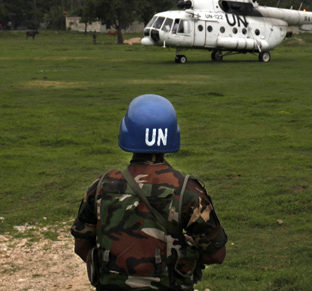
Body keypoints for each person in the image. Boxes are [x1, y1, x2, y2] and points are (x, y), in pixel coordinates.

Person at [72, 94, 227, 290]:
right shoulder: (188, 190)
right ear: (173, 134)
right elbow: (216, 254)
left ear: (126, 132)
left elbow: (81, 246)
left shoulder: (101, 186)